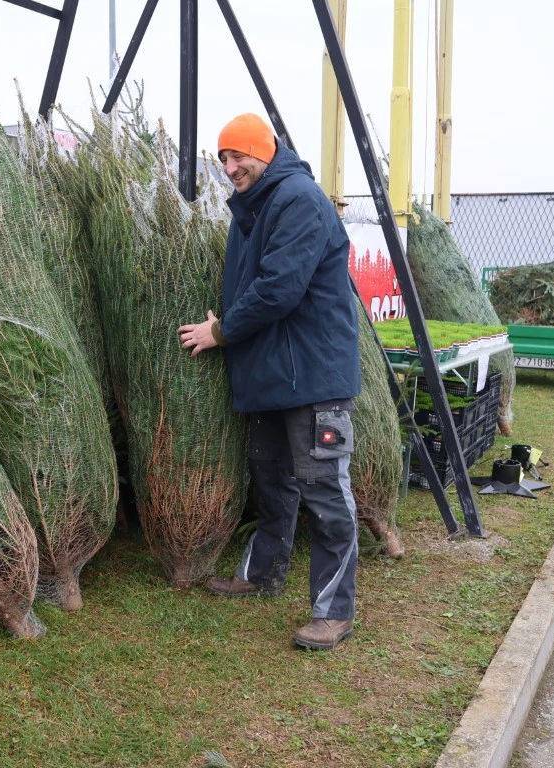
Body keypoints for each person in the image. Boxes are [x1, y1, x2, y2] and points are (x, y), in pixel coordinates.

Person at [177, 113, 361, 651]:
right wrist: (229, 318)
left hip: (312, 376)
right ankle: (261, 575)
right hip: (273, 376)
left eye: (240, 156)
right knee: (272, 481)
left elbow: (280, 289)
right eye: (224, 159)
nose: (231, 168)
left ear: (266, 151)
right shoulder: (253, 207)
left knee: (326, 490)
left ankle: (334, 611)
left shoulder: (298, 199)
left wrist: (222, 330)